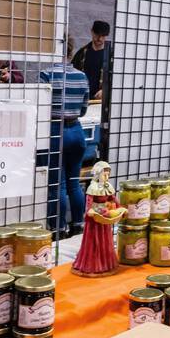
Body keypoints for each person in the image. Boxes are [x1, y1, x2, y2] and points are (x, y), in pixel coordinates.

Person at [38, 46, 90, 236]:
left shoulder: (45, 75)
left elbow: (40, 107)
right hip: (76, 131)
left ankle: (59, 229)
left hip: (53, 130)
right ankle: (79, 225)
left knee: (56, 185)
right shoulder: (82, 76)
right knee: (74, 183)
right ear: (70, 52)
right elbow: (83, 109)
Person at [71, 20, 111, 100]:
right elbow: (72, 74)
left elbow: (118, 79)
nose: (99, 38)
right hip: (81, 99)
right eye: (97, 34)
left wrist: (106, 90)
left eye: (103, 36)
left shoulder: (111, 56)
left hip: (101, 102)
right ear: (92, 32)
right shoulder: (81, 53)